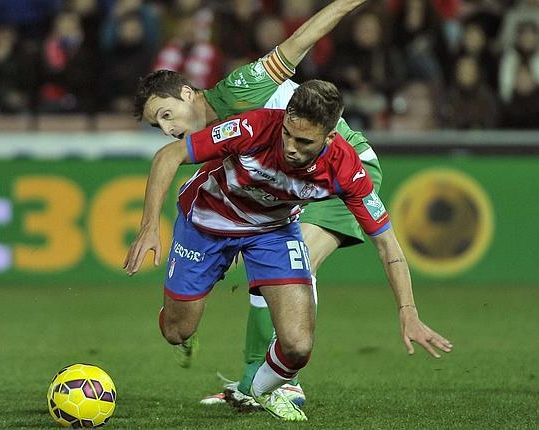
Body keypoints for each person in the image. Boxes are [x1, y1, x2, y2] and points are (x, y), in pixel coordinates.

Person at [124, 80, 453, 421]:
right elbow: (168, 155)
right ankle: (179, 326)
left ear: (329, 138)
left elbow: (388, 245)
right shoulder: (254, 126)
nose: (291, 148)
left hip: (272, 233)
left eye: (304, 141)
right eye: (288, 134)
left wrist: (408, 310)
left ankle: (260, 390)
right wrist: (149, 226)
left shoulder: (347, 169)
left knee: (297, 346)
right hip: (207, 223)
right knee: (177, 330)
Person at [133, 0, 374, 409]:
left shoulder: (241, 89)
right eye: (159, 124)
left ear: (189, 93)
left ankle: (279, 383)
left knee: (296, 270)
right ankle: (255, 376)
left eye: (168, 114)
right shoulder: (213, 141)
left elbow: (302, 40)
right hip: (293, 185)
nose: (168, 128)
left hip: (342, 171)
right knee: (188, 323)